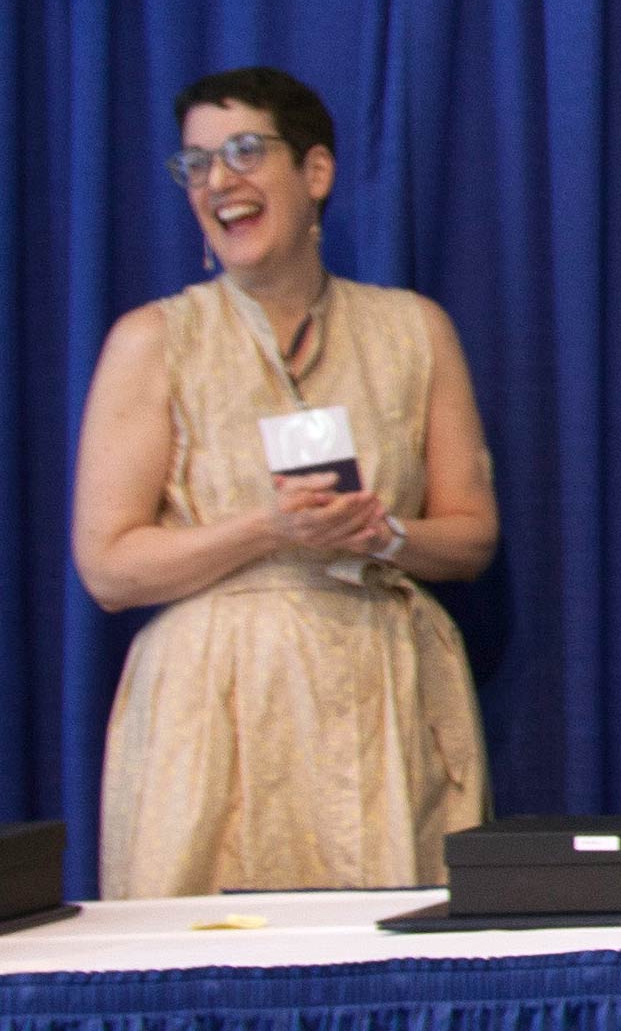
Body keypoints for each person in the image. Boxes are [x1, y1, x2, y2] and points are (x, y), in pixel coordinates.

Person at [73, 67, 499, 898]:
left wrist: (386, 535)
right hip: (210, 708)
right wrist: (266, 530)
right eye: (196, 164)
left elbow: (472, 536)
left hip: (382, 690)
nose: (218, 181)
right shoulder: (153, 340)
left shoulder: (414, 330)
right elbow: (109, 567)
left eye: (242, 151)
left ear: (315, 174)